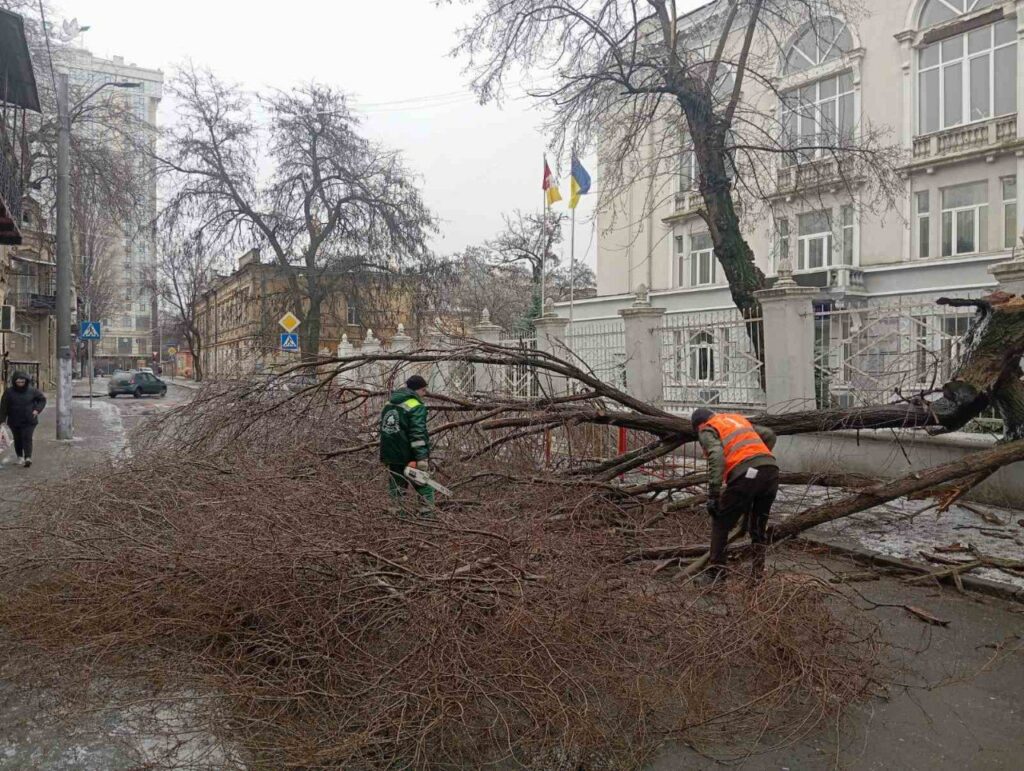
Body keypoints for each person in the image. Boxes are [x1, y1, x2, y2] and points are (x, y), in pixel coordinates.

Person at [692, 407, 779, 582]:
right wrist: (757, 459)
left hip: (746, 477)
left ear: (699, 425)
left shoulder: (707, 429)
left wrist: (713, 495)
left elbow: (716, 455)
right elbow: (769, 435)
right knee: (758, 527)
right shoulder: (736, 419)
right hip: (771, 472)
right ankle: (757, 575)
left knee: (721, 520)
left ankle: (717, 573)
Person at [379, 375, 434, 515]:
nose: (424, 394)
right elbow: (417, 434)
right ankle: (427, 518)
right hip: (408, 455)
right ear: (418, 389)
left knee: (397, 488)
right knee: (424, 487)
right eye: (423, 390)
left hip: (391, 454)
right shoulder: (416, 406)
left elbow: (385, 429)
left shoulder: (389, 403)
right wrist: (421, 458)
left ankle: (397, 518)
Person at [0, 371, 47, 469]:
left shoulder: (32, 391)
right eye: (18, 382)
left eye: (22, 382)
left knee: (27, 437)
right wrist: (2, 420)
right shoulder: (9, 392)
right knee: (18, 439)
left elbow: (42, 399)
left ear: (26, 381)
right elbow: (3, 406)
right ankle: (20, 457)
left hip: (29, 419)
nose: (21, 384)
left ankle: (28, 458)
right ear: (14, 382)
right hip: (14, 420)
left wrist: (37, 410)